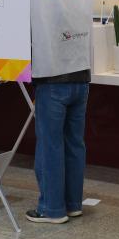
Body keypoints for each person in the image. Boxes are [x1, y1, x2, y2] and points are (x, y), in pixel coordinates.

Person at [25, 68, 90, 224]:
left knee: (50, 146)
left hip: (51, 80)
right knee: (74, 144)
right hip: (81, 79)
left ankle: (51, 209)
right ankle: (73, 204)